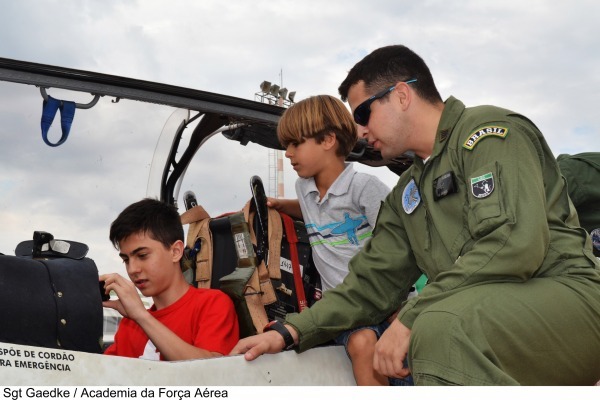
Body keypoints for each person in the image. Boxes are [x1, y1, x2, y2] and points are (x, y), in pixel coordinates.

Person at [231, 45, 600, 385]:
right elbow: (369, 284)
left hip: (567, 296)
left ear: (401, 95)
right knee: (434, 328)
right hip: (485, 312)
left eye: (363, 113)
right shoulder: (409, 193)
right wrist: (289, 331)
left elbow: (512, 242)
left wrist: (411, 316)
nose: (359, 131)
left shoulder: (489, 135)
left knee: (438, 329)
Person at [267, 94, 404, 385]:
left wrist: (399, 309)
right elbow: (311, 210)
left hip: (387, 303)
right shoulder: (303, 188)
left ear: (328, 140)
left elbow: (399, 247)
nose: (288, 154)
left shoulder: (364, 188)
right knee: (361, 343)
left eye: (295, 144)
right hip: (343, 309)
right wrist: (280, 205)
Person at [102, 198, 239, 360]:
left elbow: (207, 374)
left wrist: (141, 316)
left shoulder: (212, 305)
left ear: (175, 252)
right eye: (126, 260)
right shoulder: (129, 324)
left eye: (142, 256)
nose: (132, 269)